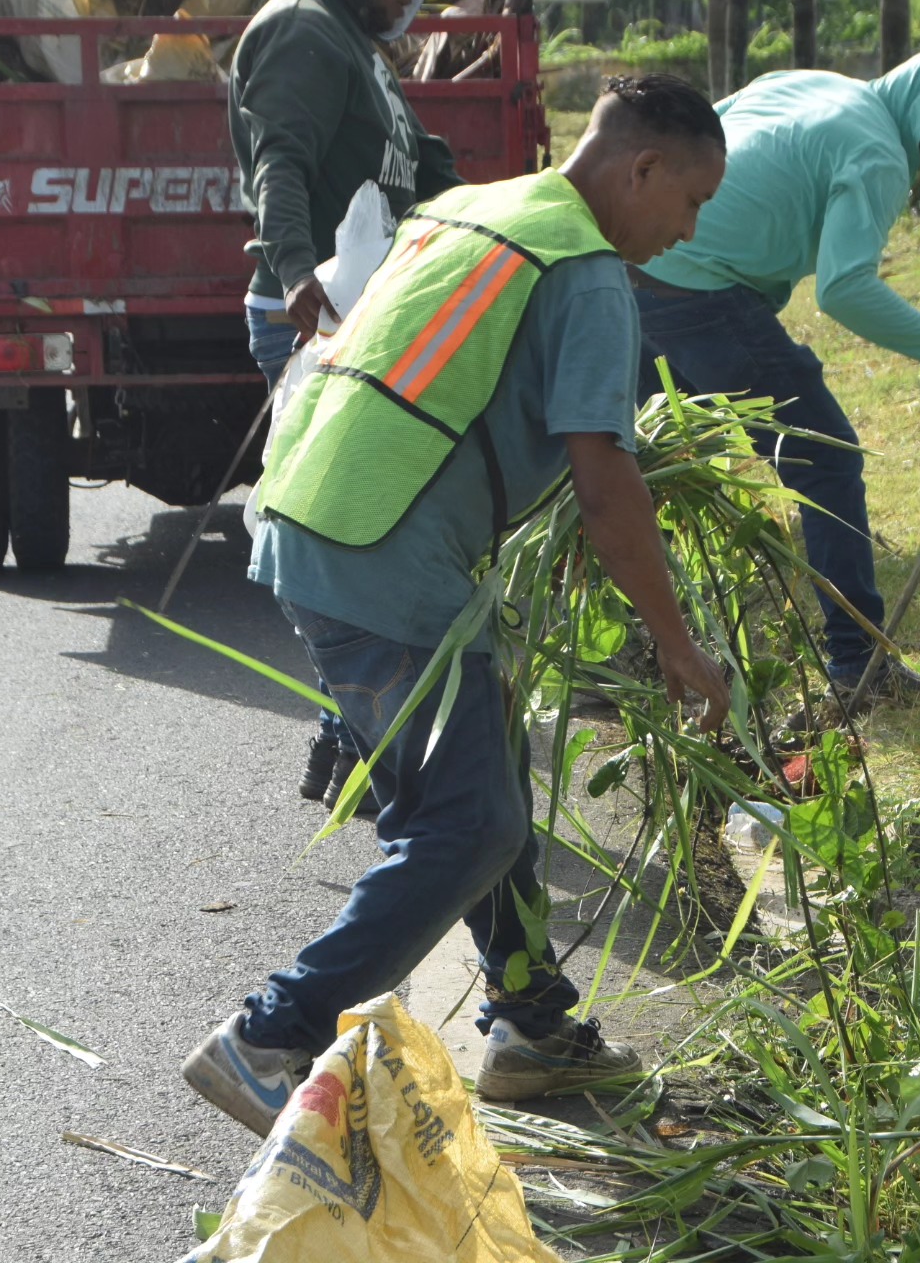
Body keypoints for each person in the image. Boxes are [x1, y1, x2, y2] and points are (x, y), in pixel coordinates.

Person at [182, 75, 732, 1134]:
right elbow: (606, 482)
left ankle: (531, 1024)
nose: (689, 230)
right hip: (386, 551)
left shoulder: (472, 207)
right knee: (472, 824)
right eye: (692, 201)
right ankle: (269, 1036)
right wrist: (675, 641)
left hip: (310, 513)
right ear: (643, 169)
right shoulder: (586, 270)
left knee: (483, 788)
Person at [629, 44, 920, 708]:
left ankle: (625, 654)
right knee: (825, 460)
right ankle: (859, 666)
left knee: (645, 466)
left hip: (635, 264)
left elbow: (704, 136)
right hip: (699, 286)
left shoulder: (810, 85)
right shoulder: (878, 152)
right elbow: (845, 289)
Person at [230, 0, 464, 811]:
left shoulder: (355, 43)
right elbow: (278, 163)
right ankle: (369, 740)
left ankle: (353, 743)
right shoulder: (303, 31)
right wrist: (295, 269)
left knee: (368, 536)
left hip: (366, 315)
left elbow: (421, 165)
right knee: (350, 546)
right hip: (316, 320)